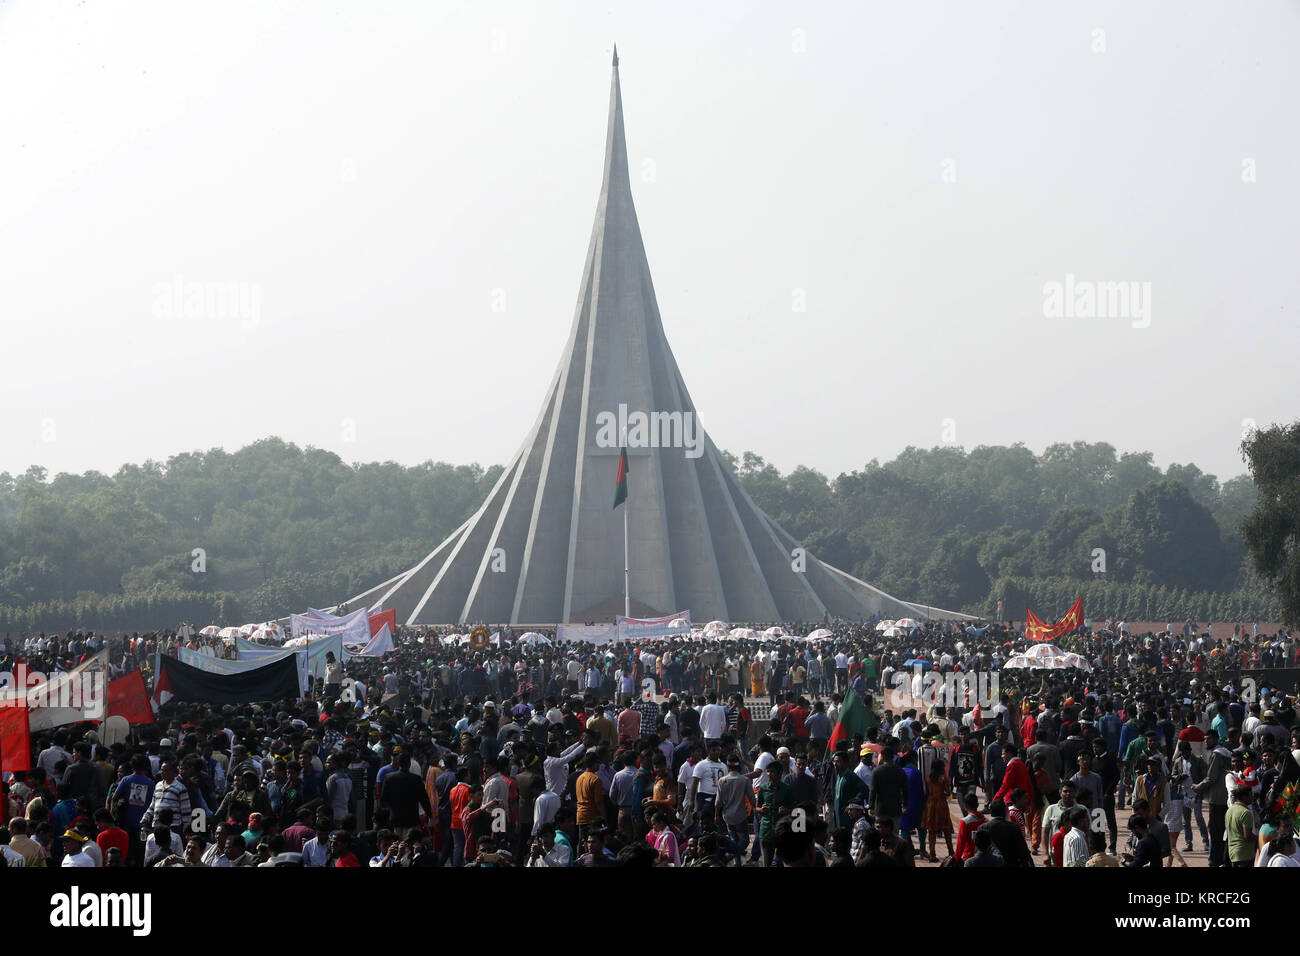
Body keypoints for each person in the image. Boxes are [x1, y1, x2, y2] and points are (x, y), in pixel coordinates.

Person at [1224, 785, 1256, 868]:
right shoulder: (1246, 812)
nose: (1252, 797)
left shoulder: (1230, 810)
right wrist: (1259, 838)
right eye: (1250, 795)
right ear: (1244, 797)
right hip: (1244, 855)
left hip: (1233, 854)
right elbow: (1247, 836)